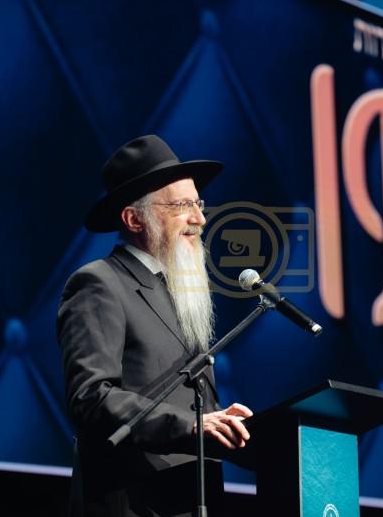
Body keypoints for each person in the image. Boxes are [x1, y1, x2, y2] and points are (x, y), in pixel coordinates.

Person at [57, 135, 253, 517]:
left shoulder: (179, 291)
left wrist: (224, 424)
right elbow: (91, 397)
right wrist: (190, 426)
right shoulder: (99, 284)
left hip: (192, 501)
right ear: (134, 219)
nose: (199, 219)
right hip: (133, 503)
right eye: (182, 206)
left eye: (198, 204)